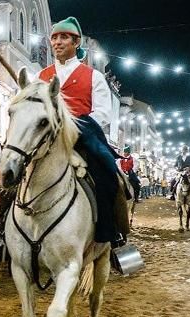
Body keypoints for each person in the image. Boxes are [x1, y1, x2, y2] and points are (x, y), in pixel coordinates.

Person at [37, 16, 122, 245]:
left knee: (109, 175)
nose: (57, 42)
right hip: (46, 141)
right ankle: (3, 231)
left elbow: (103, 112)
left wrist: (74, 127)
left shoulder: (93, 76)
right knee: (11, 173)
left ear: (76, 42)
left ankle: (109, 234)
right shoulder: (41, 77)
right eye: (54, 37)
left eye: (63, 37)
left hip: (83, 138)